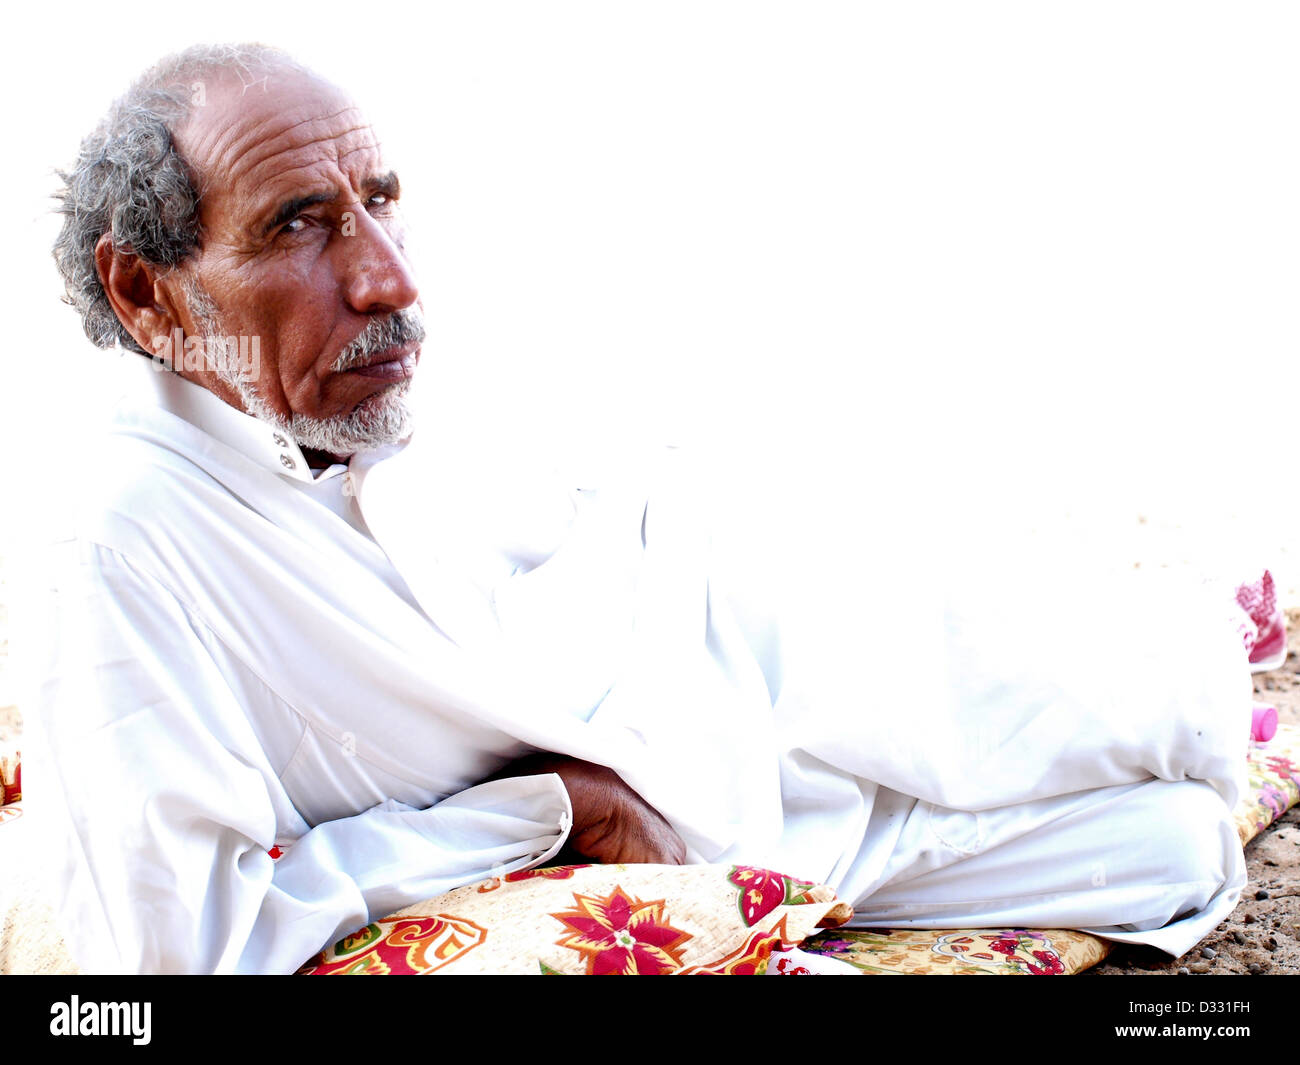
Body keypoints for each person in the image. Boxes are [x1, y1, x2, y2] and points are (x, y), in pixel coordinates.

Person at [33, 42, 1252, 974]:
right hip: (698, 801)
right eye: (299, 224)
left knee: (1163, 723)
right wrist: (548, 810)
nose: (385, 278)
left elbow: (569, 537)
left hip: (724, 674)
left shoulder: (325, 416)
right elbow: (179, 941)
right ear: (146, 294)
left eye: (380, 201)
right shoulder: (129, 537)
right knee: (1163, 840)